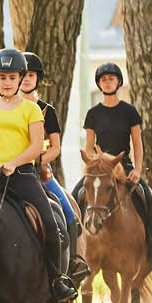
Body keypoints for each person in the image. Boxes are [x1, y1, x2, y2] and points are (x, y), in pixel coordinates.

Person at [0, 48, 78, 302]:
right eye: (2, 77)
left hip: (23, 176)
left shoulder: (31, 110)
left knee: (51, 222)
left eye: (12, 77)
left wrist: (14, 162)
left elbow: (36, 146)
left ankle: (56, 279)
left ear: (20, 78)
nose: (7, 82)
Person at [77, 62, 152, 266]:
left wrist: (137, 169)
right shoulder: (93, 114)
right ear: (99, 84)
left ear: (118, 82)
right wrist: (93, 165)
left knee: (148, 197)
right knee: (78, 195)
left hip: (123, 166)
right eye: (103, 80)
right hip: (100, 168)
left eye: (111, 79)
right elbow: (89, 146)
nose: (107, 82)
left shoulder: (129, 112)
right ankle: (78, 250)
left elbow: (137, 144)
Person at [20, 52, 88, 280]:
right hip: (10, 170)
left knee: (69, 213)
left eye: (31, 75)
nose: (26, 79)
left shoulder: (47, 110)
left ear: (38, 79)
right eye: (23, 75)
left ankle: (73, 263)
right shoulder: (6, 109)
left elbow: (56, 148)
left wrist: (40, 160)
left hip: (40, 172)